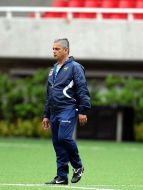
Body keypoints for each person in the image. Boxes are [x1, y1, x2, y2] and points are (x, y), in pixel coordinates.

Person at [42, 38, 91, 185]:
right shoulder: (52, 70)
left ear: (66, 50)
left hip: (69, 108)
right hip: (55, 111)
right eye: (53, 49)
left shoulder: (75, 67)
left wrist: (83, 110)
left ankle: (78, 166)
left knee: (64, 137)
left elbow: (82, 89)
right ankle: (62, 176)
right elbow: (49, 94)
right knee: (57, 142)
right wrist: (46, 114)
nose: (54, 51)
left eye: (57, 49)